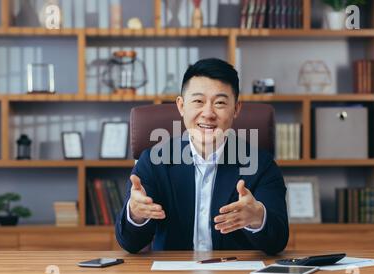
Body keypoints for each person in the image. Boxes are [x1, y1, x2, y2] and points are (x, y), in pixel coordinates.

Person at [115, 58, 288, 255]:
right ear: (181, 106)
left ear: (236, 109)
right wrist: (136, 215)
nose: (208, 113)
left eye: (220, 103)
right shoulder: (153, 162)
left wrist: (258, 217)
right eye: (198, 101)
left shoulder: (261, 165)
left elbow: (278, 241)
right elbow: (129, 243)